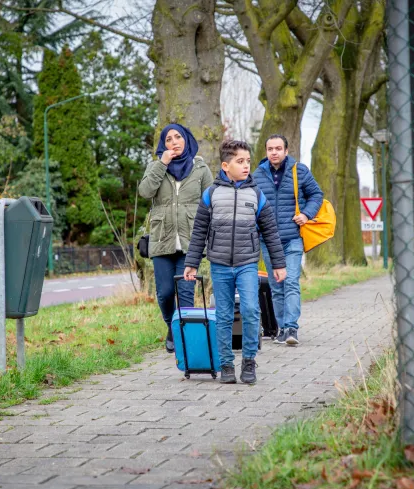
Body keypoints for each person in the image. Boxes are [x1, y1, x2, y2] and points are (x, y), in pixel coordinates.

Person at [183, 140, 287, 385]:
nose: (246, 166)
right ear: (225, 165)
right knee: (224, 315)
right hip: (219, 264)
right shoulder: (211, 194)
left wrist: (279, 264)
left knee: (251, 310)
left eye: (248, 161)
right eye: (240, 161)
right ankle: (227, 364)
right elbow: (199, 231)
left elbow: (270, 231)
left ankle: (249, 360)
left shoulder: (257, 195)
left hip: (247, 263)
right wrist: (191, 263)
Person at [138, 124, 214, 354]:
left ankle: (186, 339)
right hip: (162, 240)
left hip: (191, 241)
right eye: (168, 139)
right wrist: (162, 164)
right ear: (164, 145)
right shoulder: (155, 167)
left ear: (186, 139)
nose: (174, 142)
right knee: (164, 292)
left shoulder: (200, 168)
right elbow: (145, 192)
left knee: (186, 292)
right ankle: (172, 327)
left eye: (178, 137)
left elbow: (211, 201)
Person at [253, 134, 324, 346]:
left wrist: (306, 215)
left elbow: (316, 195)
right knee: (276, 284)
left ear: (286, 150)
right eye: (270, 149)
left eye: (278, 148)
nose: (274, 152)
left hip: (292, 237)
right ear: (266, 152)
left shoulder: (299, 171)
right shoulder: (256, 175)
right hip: (268, 240)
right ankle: (282, 327)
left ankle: (292, 327)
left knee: (291, 281)